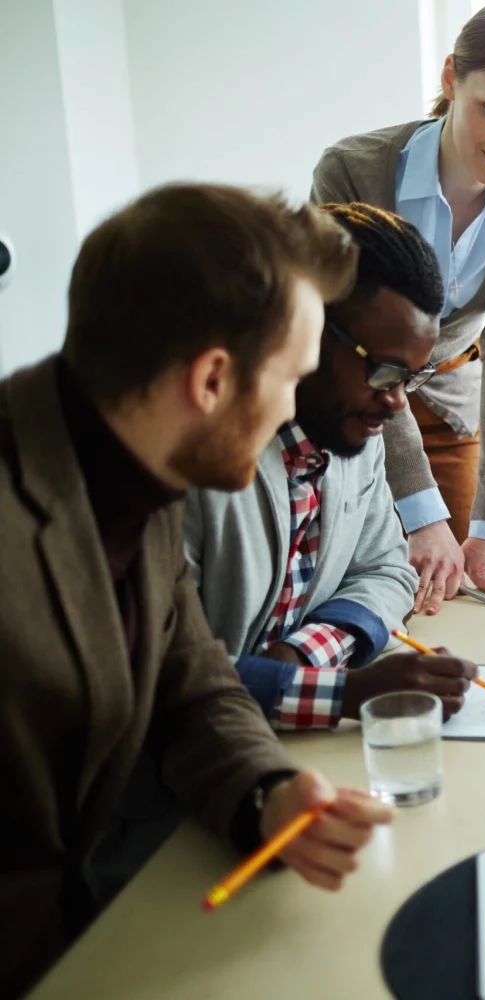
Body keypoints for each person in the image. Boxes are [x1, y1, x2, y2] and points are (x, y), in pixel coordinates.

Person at [0, 184, 395, 998]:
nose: (295, 406)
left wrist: (270, 793)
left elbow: (191, 676)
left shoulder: (126, 462)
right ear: (213, 379)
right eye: (291, 375)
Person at [312, 0, 485, 615]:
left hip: (454, 404)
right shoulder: (352, 171)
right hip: (347, 401)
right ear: (451, 78)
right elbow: (354, 340)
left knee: (451, 603)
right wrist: (416, 507)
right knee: (357, 588)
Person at [186, 203, 478, 729]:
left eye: (409, 378)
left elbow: (387, 569)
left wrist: (301, 660)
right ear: (302, 331)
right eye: (383, 370)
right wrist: (339, 693)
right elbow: (160, 674)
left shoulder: (353, 437)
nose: (396, 403)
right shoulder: (192, 463)